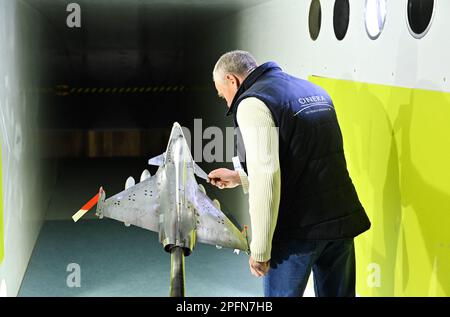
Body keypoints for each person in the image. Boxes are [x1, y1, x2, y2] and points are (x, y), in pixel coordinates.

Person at [208, 50, 371, 297]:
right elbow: (307, 162)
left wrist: (260, 250)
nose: (228, 103)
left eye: (223, 96)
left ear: (233, 80)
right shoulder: (313, 90)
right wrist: (240, 178)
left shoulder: (253, 103)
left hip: (298, 230)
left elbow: (267, 180)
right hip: (340, 222)